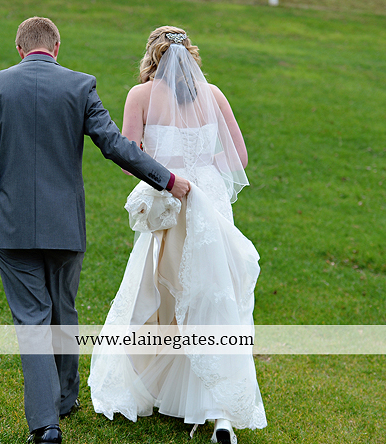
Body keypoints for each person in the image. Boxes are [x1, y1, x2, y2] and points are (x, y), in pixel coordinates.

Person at [0, 17, 191, 444]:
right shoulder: (79, 86)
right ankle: (65, 398)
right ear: (56, 47)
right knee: (63, 308)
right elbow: (115, 145)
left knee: (32, 321)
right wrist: (166, 179)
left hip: (11, 226)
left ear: (20, 49)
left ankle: (46, 424)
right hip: (65, 225)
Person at [88, 26, 267, 443]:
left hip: (168, 197)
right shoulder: (214, 94)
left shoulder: (140, 95)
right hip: (210, 202)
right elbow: (238, 156)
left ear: (152, 56)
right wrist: (202, 166)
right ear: (190, 56)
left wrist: (166, 169)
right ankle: (216, 408)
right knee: (211, 292)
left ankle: (159, 385)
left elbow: (128, 158)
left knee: (160, 289)